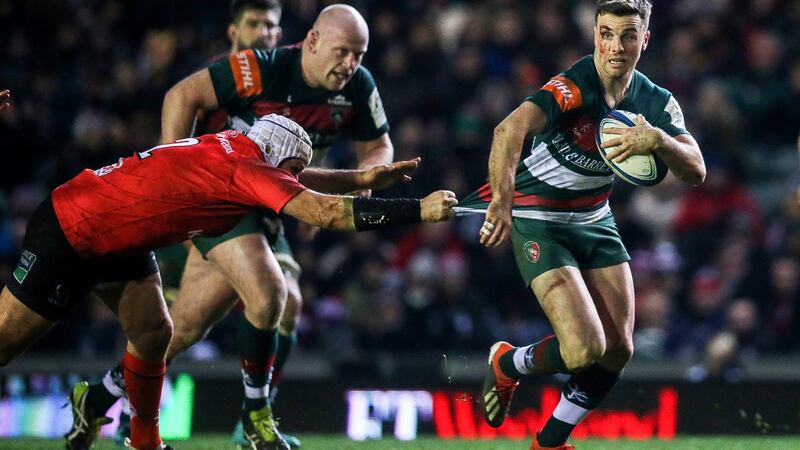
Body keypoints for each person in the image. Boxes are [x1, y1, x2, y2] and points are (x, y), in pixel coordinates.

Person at [1, 114, 455, 450]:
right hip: (69, 230)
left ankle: (143, 442)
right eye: (291, 170)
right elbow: (326, 213)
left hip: (111, 236)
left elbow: (286, 176)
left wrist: (359, 177)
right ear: (276, 161)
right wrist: (419, 210)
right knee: (6, 344)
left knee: (155, 333)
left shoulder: (233, 146)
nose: (291, 181)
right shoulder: (244, 170)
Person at [69, 4, 397, 449]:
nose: (351, 64)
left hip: (269, 207)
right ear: (313, 42)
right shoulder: (262, 67)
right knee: (272, 295)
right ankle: (256, 420)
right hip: (221, 196)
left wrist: (362, 183)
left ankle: (98, 396)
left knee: (184, 327)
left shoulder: (358, 84)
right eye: (343, 52)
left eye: (359, 54)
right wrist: (173, 182)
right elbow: (180, 97)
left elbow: (378, 146)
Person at [456, 1, 705, 449]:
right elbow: (508, 131)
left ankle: (549, 442)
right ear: (594, 35)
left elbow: (696, 171)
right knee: (584, 349)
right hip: (540, 216)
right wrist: (502, 203)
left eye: (628, 35)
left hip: (594, 217)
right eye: (606, 34)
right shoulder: (573, 86)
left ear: (644, 40)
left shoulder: (654, 101)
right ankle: (509, 364)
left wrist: (661, 140)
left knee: (619, 349)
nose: (616, 46)